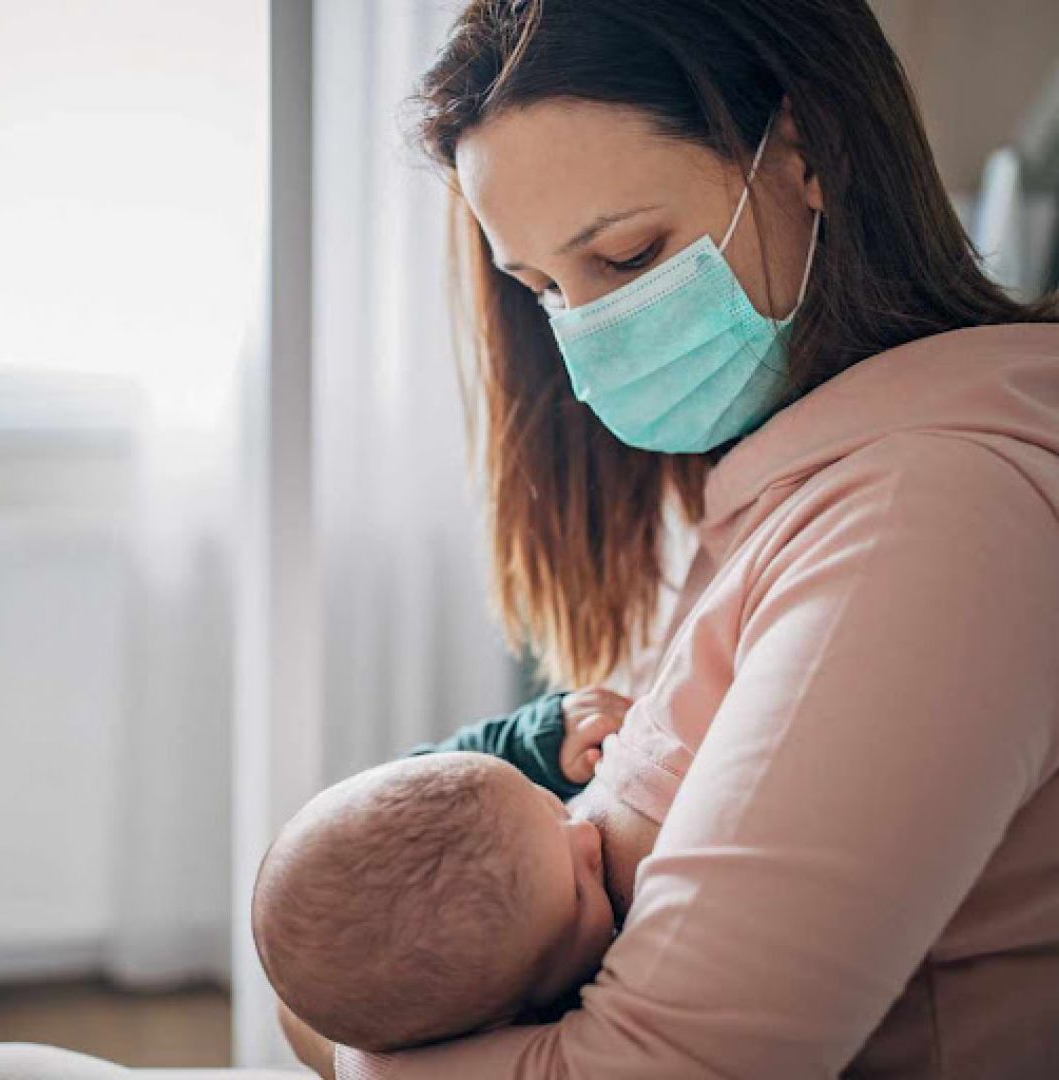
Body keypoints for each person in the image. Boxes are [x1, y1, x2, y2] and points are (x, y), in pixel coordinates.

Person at [273, 1, 1059, 1077]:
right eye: (544, 290)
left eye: (628, 256)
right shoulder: (789, 489)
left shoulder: (923, 519)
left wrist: (355, 1050)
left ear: (804, 151)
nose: (586, 335)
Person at [251, 752, 616, 1054]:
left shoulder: (496, 821)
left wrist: (543, 738)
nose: (586, 835)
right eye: (579, 896)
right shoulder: (579, 1031)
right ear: (502, 1024)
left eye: (550, 804)